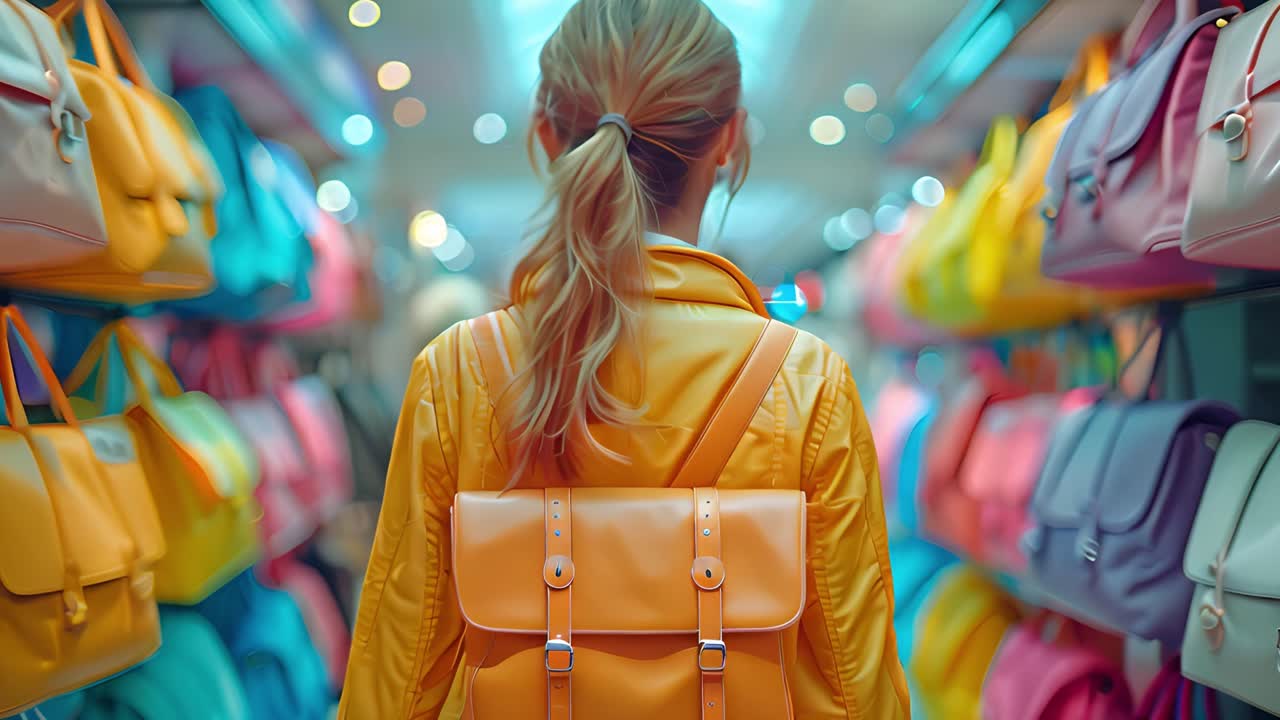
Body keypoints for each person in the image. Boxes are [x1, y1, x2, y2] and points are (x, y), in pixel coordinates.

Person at [338, 0, 910, 717]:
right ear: (730, 139)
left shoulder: (461, 371)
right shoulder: (805, 384)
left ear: (546, 135)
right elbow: (856, 689)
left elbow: (395, 678)